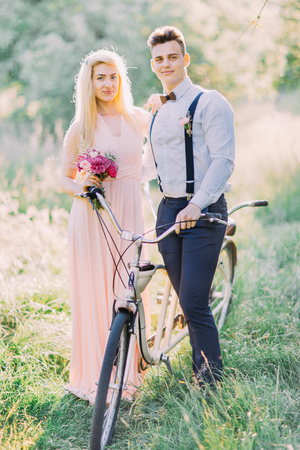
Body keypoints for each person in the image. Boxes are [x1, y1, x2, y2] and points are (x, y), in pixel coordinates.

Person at [145, 26, 235, 386]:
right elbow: (150, 165)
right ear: (152, 65)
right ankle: (197, 367)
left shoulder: (211, 102)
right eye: (157, 60)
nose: (165, 64)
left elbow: (224, 161)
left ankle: (210, 383)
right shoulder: (157, 108)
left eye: (171, 57)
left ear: (185, 59)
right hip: (167, 210)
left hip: (204, 210)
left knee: (195, 302)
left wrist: (197, 204)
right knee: (186, 299)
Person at [60, 49, 151, 404]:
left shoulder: (138, 118)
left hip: (129, 210)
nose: (108, 84)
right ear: (90, 83)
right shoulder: (81, 126)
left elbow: (169, 134)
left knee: (124, 289)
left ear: (121, 80)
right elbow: (64, 178)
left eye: (113, 76)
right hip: (93, 215)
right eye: (101, 78)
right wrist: (84, 187)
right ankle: (95, 375)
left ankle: (127, 372)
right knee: (94, 292)